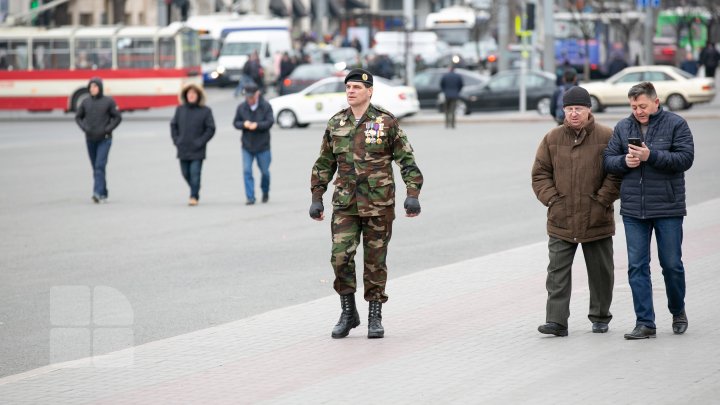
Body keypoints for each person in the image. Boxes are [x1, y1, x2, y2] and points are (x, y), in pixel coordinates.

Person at [309, 68, 424, 339]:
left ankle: (375, 315)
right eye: (348, 87)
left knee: (375, 261)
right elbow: (324, 163)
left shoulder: (386, 122)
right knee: (340, 257)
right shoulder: (336, 123)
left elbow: (406, 160)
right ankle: (348, 313)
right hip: (345, 204)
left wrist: (413, 194)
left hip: (378, 204)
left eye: (356, 87)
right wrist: (317, 197)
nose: (351, 91)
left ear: (369, 91)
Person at [603, 82, 694, 340]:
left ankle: (678, 310)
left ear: (656, 102)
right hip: (633, 210)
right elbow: (608, 160)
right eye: (633, 107)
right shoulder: (623, 127)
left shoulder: (676, 124)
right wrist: (624, 161)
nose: (638, 111)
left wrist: (650, 156)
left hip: (668, 207)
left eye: (642, 106)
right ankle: (645, 323)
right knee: (637, 267)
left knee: (672, 265)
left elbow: (685, 159)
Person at [532, 86, 621, 337]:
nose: (573, 113)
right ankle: (556, 321)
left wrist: (602, 200)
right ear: (563, 110)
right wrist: (553, 200)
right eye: (569, 109)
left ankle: (600, 316)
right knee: (557, 273)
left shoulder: (607, 136)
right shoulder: (552, 138)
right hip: (561, 218)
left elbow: (616, 174)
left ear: (588, 110)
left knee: (601, 273)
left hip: (597, 217)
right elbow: (540, 174)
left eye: (578, 109)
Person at [75, 77, 122, 204]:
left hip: (104, 139)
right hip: (90, 139)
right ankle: (103, 192)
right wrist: (85, 128)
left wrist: (108, 129)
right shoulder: (85, 102)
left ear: (100, 88)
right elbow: (78, 117)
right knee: (96, 167)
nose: (92, 89)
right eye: (91, 87)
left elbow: (117, 117)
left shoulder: (108, 101)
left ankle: (97, 193)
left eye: (95, 86)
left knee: (99, 166)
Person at [170, 83, 216, 206]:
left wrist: (201, 141)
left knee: (195, 173)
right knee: (186, 173)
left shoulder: (205, 111)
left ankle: (193, 196)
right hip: (183, 148)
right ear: (186, 95)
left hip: (197, 149)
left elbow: (211, 129)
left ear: (198, 95)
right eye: (189, 93)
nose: (191, 95)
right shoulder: (180, 109)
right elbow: (173, 126)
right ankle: (195, 187)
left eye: (194, 93)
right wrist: (176, 140)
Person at [232, 82, 274, 205]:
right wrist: (243, 124)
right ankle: (250, 197)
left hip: (263, 146)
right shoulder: (241, 107)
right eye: (247, 97)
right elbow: (235, 123)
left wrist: (257, 125)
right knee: (247, 171)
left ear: (257, 94)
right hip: (247, 146)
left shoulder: (265, 106)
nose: (249, 99)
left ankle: (265, 191)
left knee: (265, 172)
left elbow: (270, 122)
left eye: (251, 97)